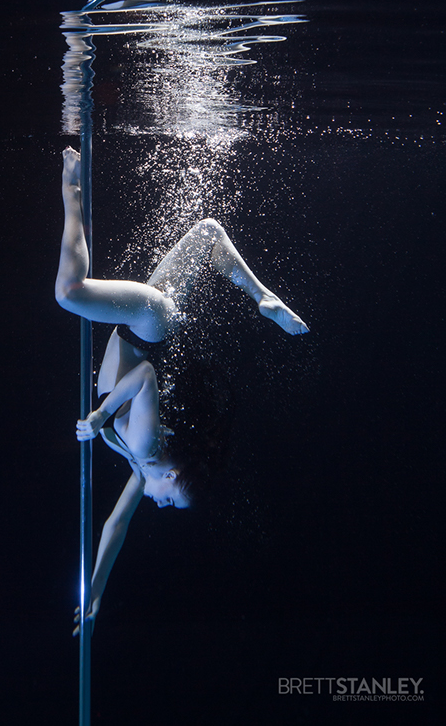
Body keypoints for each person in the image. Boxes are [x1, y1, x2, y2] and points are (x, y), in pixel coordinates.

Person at [55, 147, 308, 631]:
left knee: (208, 231)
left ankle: (261, 295)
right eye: (170, 501)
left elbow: (116, 526)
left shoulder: (141, 462)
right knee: (69, 293)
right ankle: (72, 189)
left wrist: (95, 593)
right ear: (171, 479)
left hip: (151, 321)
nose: (159, 504)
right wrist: (101, 417)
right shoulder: (149, 449)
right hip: (146, 322)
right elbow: (144, 378)